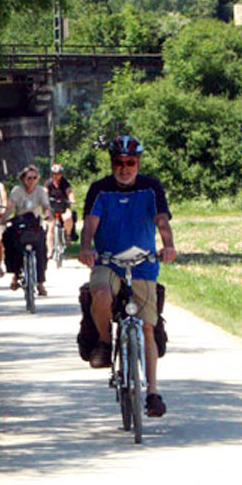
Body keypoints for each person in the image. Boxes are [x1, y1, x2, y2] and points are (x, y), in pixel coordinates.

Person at [78, 135, 177, 418]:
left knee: (146, 327)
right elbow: (90, 225)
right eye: (119, 163)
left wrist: (168, 245)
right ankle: (104, 342)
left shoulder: (151, 187)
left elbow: (162, 221)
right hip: (108, 261)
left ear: (138, 163)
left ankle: (153, 393)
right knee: (100, 292)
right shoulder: (100, 189)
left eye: (130, 162)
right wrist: (86, 248)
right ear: (112, 163)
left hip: (143, 262)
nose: (124, 168)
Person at [3, 164, 51, 295]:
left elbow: (46, 206)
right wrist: (5, 217)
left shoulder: (40, 191)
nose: (32, 180)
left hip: (34, 223)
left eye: (35, 178)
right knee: (9, 239)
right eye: (29, 178)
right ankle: (15, 273)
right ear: (23, 178)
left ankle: (40, 283)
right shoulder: (17, 190)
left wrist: (48, 214)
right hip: (20, 222)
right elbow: (11, 206)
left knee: (41, 249)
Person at [44, 163, 77, 258]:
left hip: (64, 206)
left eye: (58, 173)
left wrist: (72, 200)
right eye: (54, 173)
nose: (56, 175)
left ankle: (68, 235)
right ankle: (50, 250)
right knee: (50, 227)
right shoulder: (48, 183)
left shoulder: (64, 183)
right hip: (52, 207)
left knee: (68, 217)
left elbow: (69, 192)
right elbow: (44, 193)